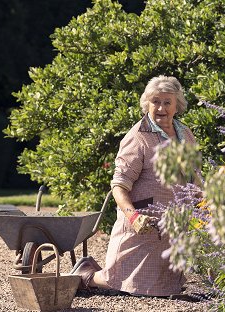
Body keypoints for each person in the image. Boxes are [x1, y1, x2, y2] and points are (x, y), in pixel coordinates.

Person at [71, 75, 199, 297]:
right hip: (143, 223)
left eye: (167, 102)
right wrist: (133, 217)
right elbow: (119, 186)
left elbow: (194, 175)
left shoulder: (185, 134)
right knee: (120, 281)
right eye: (155, 101)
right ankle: (87, 276)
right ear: (146, 104)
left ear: (177, 105)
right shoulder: (138, 137)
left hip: (173, 224)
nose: (161, 107)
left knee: (167, 287)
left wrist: (207, 201)